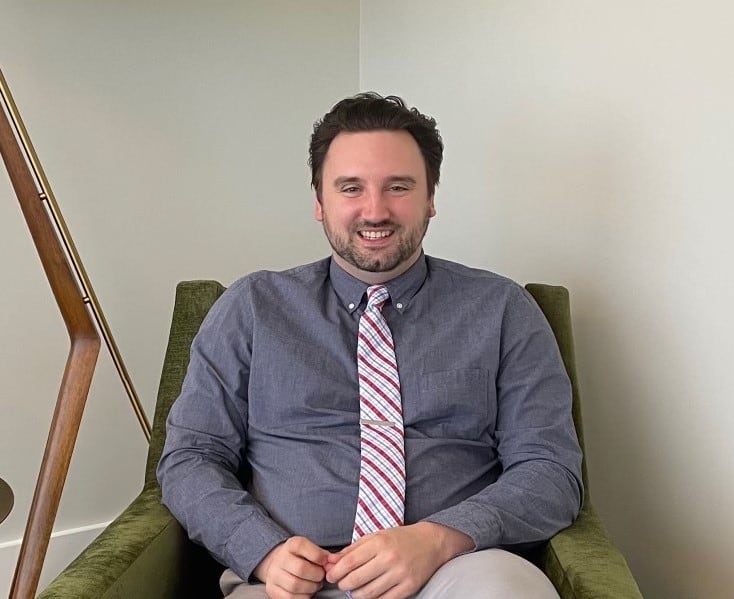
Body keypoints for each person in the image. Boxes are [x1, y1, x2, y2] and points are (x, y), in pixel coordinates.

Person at [158, 93, 584, 599]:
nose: (375, 210)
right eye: (351, 187)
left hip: (455, 570)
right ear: (320, 202)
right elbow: (190, 457)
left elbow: (551, 470)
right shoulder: (250, 307)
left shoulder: (503, 309)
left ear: (431, 197)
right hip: (288, 581)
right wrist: (263, 550)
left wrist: (439, 538)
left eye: (398, 187)